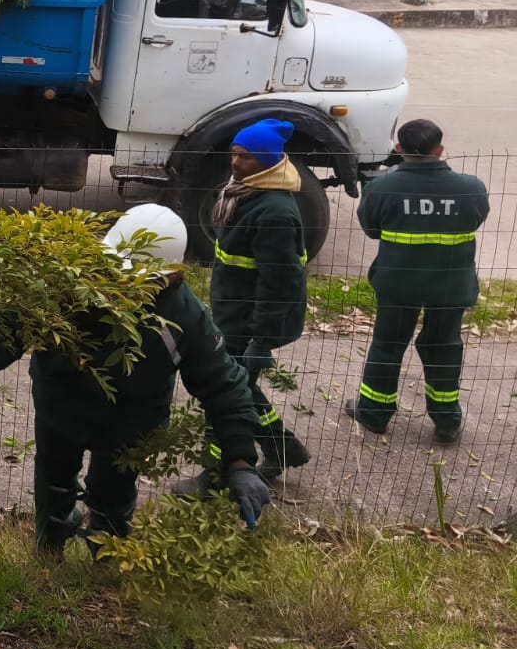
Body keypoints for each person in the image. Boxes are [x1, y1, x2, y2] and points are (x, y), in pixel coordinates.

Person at [0, 205, 268, 554]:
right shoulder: (68, 285)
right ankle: (49, 547)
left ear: (169, 277)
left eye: (136, 279)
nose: (120, 284)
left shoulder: (184, 317)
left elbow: (224, 385)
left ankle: (106, 556)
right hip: (60, 407)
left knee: (113, 496)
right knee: (53, 482)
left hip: (131, 424)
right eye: (116, 271)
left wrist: (240, 461)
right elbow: (12, 324)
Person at [183, 118, 312, 487]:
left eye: (246, 157)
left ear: (269, 162)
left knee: (225, 396)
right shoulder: (243, 192)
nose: (235, 164)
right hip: (231, 313)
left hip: (248, 322)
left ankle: (216, 475)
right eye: (234, 154)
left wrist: (262, 341)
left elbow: (280, 284)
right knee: (241, 390)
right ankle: (283, 449)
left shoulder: (274, 213)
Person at [345, 120, 489, 443]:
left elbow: (371, 229)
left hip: (398, 284)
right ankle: (447, 420)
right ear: (440, 150)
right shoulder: (472, 188)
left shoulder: (381, 189)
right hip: (451, 286)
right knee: (445, 347)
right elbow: (476, 219)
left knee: (388, 346)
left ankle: (374, 413)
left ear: (398, 150)